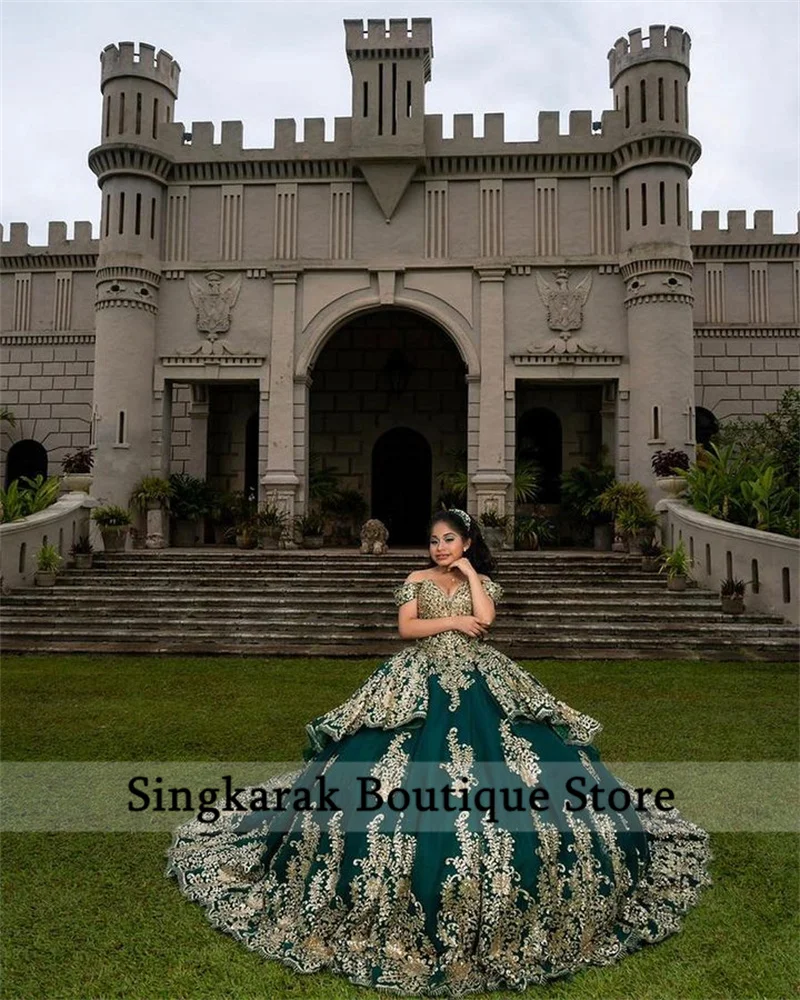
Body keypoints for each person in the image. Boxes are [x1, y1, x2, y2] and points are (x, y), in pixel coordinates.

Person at [165, 507, 712, 995]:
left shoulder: (482, 579)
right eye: (434, 540)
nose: (439, 548)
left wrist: (471, 576)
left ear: (467, 543)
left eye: (450, 540)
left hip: (480, 680)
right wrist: (451, 618)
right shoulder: (414, 578)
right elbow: (408, 629)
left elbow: (487, 624)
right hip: (416, 680)